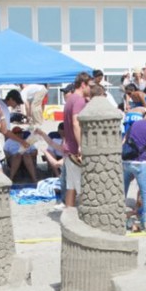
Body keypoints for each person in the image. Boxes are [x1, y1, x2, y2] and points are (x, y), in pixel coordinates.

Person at [122, 108, 146, 232]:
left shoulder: (135, 124)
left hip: (126, 161)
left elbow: (123, 142)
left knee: (122, 191)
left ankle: (117, 218)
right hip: (140, 163)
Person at [62, 71, 91, 207]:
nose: (90, 89)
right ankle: (83, 216)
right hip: (75, 149)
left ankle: (68, 213)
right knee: (82, 187)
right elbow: (75, 123)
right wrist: (81, 145)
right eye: (89, 85)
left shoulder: (70, 99)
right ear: (83, 84)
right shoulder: (79, 100)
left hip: (68, 148)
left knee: (71, 186)